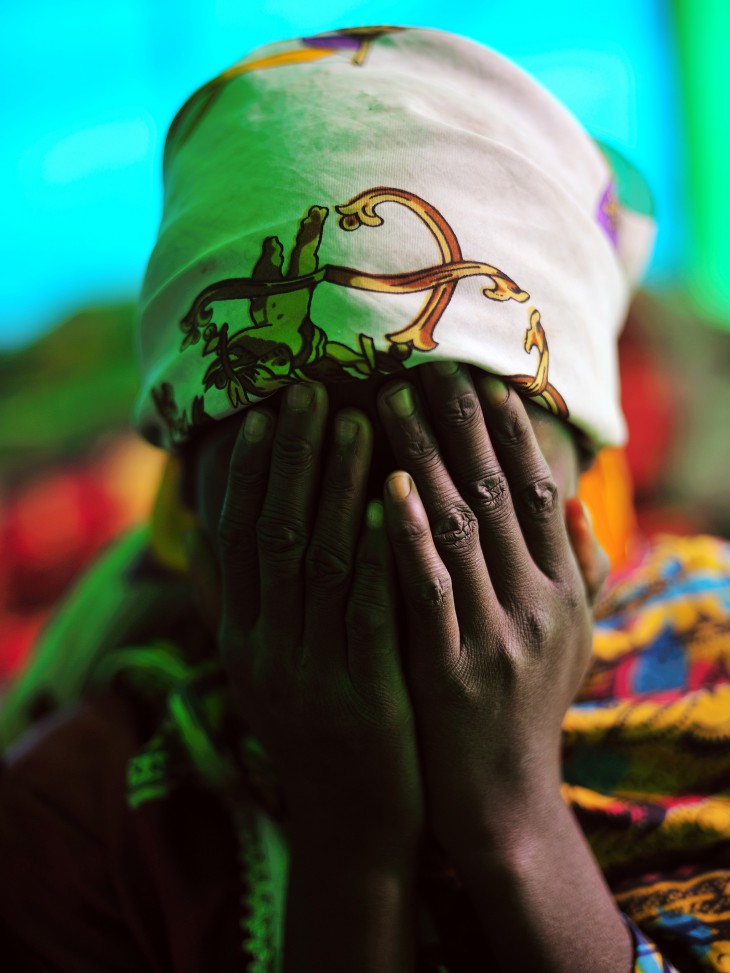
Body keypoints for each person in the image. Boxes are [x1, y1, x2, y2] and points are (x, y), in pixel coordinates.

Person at [2, 25, 730, 973]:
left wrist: (515, 826)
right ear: (188, 523)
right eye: (302, 498)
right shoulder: (78, 822)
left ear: (592, 498)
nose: (409, 558)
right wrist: (353, 849)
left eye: (476, 488)